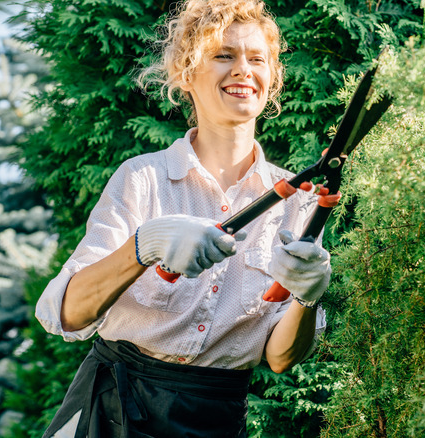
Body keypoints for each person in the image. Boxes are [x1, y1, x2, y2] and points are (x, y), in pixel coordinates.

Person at [34, 1, 330, 436]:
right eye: (224, 55)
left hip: (216, 418)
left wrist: (307, 296)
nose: (243, 70)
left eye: (257, 59)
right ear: (185, 73)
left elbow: (281, 357)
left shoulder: (296, 200)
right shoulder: (143, 178)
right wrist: (144, 245)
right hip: (113, 409)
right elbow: (68, 314)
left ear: (273, 78)